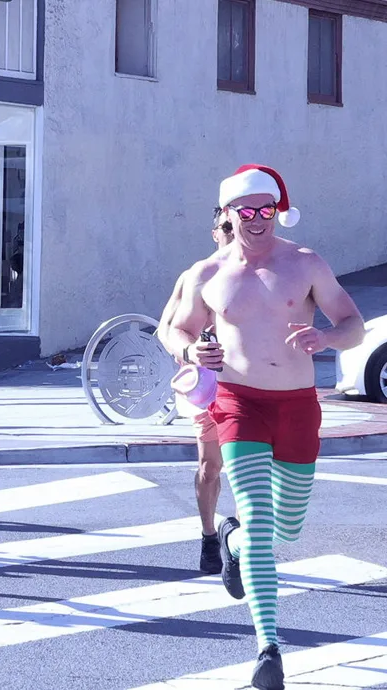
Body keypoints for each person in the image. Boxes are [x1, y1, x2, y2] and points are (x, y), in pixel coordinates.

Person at [168, 165, 364, 689]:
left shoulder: (305, 263)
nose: (256, 220)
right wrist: (192, 350)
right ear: (228, 214)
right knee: (258, 518)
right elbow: (175, 329)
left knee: (287, 528)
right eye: (245, 211)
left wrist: (326, 339)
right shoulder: (207, 273)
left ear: (277, 211)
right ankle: (268, 649)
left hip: (297, 405)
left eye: (265, 210)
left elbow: (353, 325)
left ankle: (231, 543)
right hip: (238, 403)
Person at [157, 208, 235, 574]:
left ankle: (244, 540)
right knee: (210, 467)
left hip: (252, 384)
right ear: (214, 232)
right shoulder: (196, 276)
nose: (233, 233)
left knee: (253, 466)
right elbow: (165, 329)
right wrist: (189, 351)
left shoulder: (266, 273)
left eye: (237, 226)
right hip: (210, 387)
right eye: (226, 227)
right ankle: (209, 535)